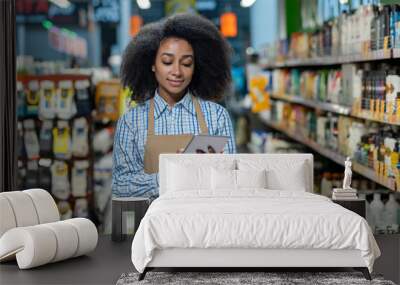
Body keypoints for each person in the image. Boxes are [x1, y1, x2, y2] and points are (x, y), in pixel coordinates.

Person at [112, 13, 236, 200]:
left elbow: (232, 179)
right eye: (167, 62)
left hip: (204, 222)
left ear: (196, 67)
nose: (177, 71)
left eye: (186, 63)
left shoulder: (217, 116)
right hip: (152, 224)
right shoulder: (131, 122)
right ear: (152, 64)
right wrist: (173, 177)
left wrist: (211, 170)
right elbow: (121, 184)